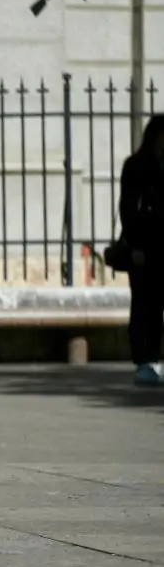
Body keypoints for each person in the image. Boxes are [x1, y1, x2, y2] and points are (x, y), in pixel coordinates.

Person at [119, 115, 164, 387]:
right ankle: (145, 358)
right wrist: (134, 245)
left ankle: (155, 357)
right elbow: (127, 209)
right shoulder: (135, 166)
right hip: (145, 247)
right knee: (145, 305)